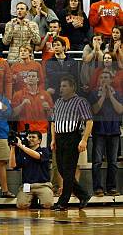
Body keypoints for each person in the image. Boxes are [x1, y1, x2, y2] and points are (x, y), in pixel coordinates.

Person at [51, 75, 93, 211]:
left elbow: (89, 121)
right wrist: (53, 139)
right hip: (59, 138)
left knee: (68, 171)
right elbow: (53, 122)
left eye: (64, 86)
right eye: (60, 86)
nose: (61, 89)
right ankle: (83, 194)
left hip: (72, 137)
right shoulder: (57, 102)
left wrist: (84, 140)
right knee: (62, 170)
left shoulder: (80, 102)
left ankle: (63, 202)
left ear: (72, 87)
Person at [88, 70, 123, 197]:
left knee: (112, 162)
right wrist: (103, 95)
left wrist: (111, 95)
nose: (104, 79)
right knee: (97, 161)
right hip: (99, 131)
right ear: (99, 80)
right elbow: (95, 110)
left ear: (111, 80)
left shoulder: (118, 94)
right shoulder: (93, 94)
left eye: (106, 77)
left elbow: (120, 110)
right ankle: (98, 188)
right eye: (102, 77)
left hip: (113, 131)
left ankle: (111, 187)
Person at [8, 131, 54, 209]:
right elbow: (12, 166)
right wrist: (12, 148)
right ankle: (32, 201)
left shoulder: (44, 150)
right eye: (29, 137)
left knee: (48, 204)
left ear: (39, 141)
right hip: (27, 186)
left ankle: (37, 200)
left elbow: (37, 156)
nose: (30, 139)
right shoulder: (23, 153)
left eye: (33, 137)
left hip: (42, 185)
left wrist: (21, 146)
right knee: (21, 205)